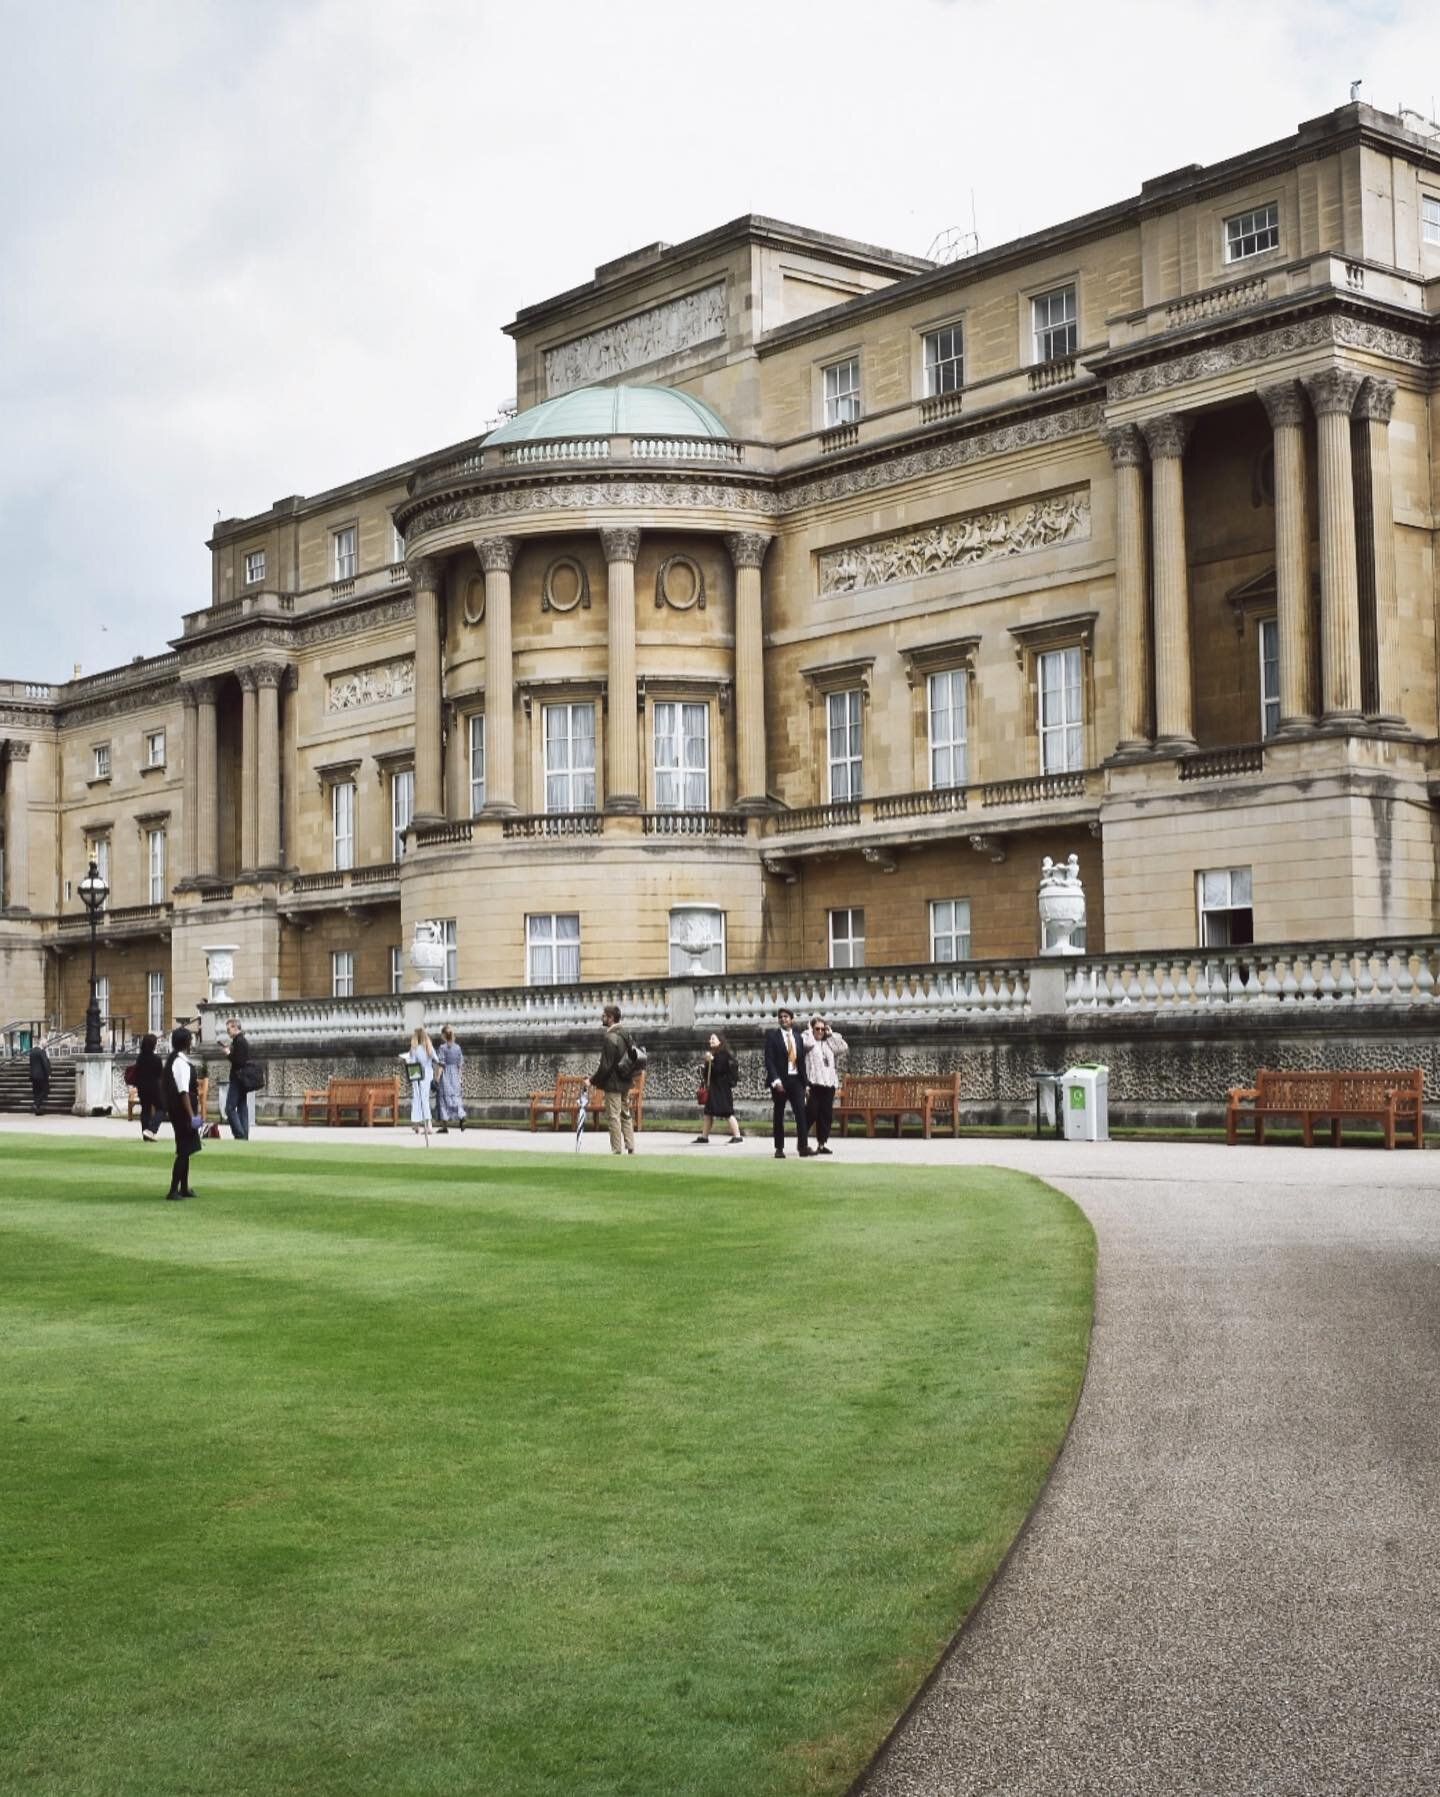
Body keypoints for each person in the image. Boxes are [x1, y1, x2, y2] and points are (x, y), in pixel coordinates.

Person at [763, 1008, 810, 1159]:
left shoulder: (797, 1037)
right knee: (779, 1115)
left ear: (792, 1019)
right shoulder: (772, 1037)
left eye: (786, 1017)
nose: (783, 1019)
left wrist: (806, 1083)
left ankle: (803, 1147)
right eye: (781, 1017)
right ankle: (779, 1148)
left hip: (796, 1080)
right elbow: (769, 1061)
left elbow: (801, 1062)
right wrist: (775, 1080)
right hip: (780, 1081)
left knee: (801, 1114)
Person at [592, 1003, 638, 1156]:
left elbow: (606, 1066)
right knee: (625, 1114)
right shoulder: (626, 1034)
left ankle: (616, 1149)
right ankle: (630, 1146)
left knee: (613, 1116)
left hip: (613, 1084)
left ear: (611, 1018)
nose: (602, 1018)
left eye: (604, 1015)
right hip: (625, 1081)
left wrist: (591, 1081)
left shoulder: (610, 1037)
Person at [163, 1025, 202, 1200]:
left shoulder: (175, 1059)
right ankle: (173, 1189)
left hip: (179, 1109)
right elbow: (183, 1091)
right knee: (184, 1150)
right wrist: (191, 1115)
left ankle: (184, 1187)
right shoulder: (180, 1063)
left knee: (186, 1150)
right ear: (186, 1042)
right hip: (182, 1110)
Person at [801, 1016, 848, 1156]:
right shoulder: (807, 1039)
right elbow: (806, 1043)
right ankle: (802, 1142)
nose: (820, 1031)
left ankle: (822, 1144)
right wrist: (810, 1030)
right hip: (814, 1084)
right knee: (811, 1113)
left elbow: (843, 1047)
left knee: (825, 1116)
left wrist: (830, 1034)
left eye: (822, 1029)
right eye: (817, 1028)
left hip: (828, 1084)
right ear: (812, 1028)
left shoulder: (828, 1043)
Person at [693, 1032, 742, 1144]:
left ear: (720, 1041)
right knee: (708, 1112)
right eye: (710, 1039)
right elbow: (709, 1073)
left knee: (727, 1112)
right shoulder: (715, 1053)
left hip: (722, 1089)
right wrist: (707, 1063)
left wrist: (711, 1060)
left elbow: (718, 1070)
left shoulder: (723, 1054)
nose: (711, 1041)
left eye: (713, 1039)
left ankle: (738, 1136)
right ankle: (704, 1136)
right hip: (714, 1088)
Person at [400, 1027, 438, 1134]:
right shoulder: (429, 1047)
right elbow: (436, 1059)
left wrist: (407, 1060)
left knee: (417, 1098)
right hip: (428, 1074)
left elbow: (411, 1062)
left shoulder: (415, 1048)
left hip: (417, 1074)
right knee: (424, 1099)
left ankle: (418, 1124)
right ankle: (427, 1124)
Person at [221, 1016, 253, 1140]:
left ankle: (239, 1134)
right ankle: (244, 1135)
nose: (228, 1032)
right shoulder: (241, 1040)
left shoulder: (239, 1041)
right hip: (242, 1078)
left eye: (229, 1029)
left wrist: (228, 1053)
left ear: (235, 1027)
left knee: (229, 1108)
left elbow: (238, 1062)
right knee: (242, 1107)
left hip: (237, 1078)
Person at [132, 1033, 166, 1141]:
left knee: (145, 1110)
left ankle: (145, 1133)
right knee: (162, 1108)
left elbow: (137, 1072)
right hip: (154, 1087)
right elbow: (160, 1075)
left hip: (142, 1087)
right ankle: (152, 1129)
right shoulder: (157, 1059)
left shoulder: (140, 1058)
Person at [435, 1026, 466, 1133]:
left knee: (443, 1099)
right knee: (456, 1097)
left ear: (444, 1035)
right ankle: (461, 1116)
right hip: (455, 1075)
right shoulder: (457, 1048)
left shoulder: (442, 1048)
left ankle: (444, 1126)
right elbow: (459, 1065)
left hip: (446, 1075)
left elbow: (441, 1065)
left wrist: (437, 1078)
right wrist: (460, 1078)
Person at [27, 1042, 50, 1115]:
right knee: (44, 1090)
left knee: (36, 1092)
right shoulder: (42, 1052)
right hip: (41, 1075)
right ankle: (36, 1104)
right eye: (46, 1044)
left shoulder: (32, 1052)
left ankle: (37, 1110)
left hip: (33, 1075)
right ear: (43, 1044)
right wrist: (48, 1074)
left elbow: (30, 1064)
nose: (46, 1045)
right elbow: (45, 1063)